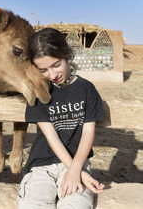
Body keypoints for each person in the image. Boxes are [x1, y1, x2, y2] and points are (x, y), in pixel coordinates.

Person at [18, 28, 105, 209]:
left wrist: (76, 170)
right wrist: (78, 173)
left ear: (66, 55)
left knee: (76, 205)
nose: (52, 74)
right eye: (43, 70)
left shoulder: (87, 89)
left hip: (77, 161)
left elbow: (88, 132)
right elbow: (51, 137)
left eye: (56, 65)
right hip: (41, 166)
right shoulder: (39, 93)